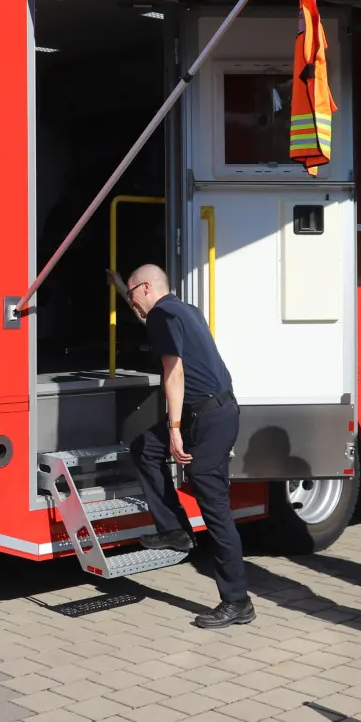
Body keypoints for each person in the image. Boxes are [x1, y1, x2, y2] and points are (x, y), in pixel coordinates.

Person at [111, 264, 252, 629]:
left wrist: (174, 429)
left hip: (207, 419)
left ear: (144, 288)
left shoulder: (161, 315)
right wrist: (117, 284)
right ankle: (174, 529)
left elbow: (173, 372)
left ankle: (237, 601)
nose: (132, 306)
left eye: (131, 296)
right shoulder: (181, 309)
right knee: (145, 447)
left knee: (215, 509)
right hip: (212, 411)